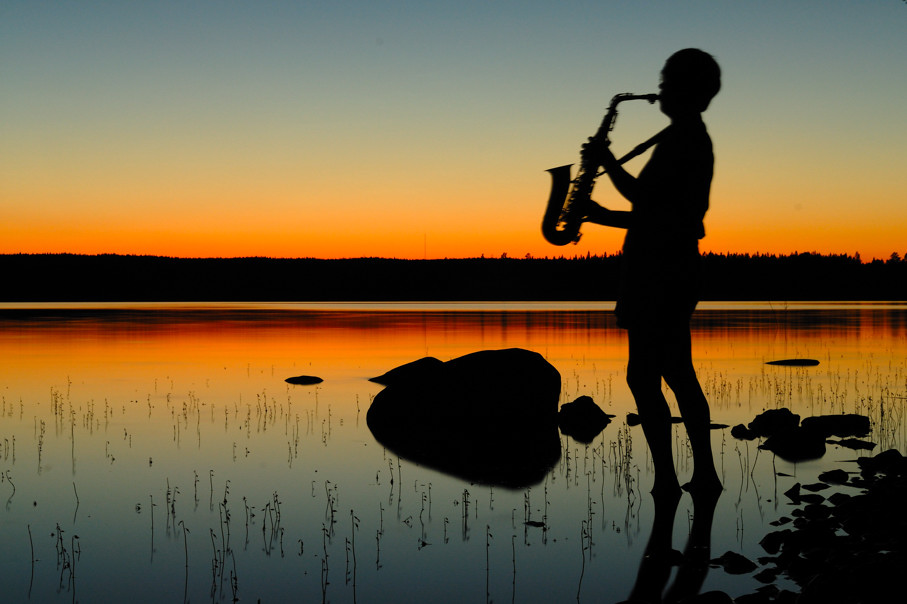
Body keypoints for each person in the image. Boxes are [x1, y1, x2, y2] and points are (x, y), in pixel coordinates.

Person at [582, 48, 722, 498]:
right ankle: (698, 476)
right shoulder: (683, 136)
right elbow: (660, 213)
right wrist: (601, 214)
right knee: (675, 371)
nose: (659, 88)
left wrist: (604, 163)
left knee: (649, 375)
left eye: (667, 80)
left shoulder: (686, 140)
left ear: (688, 90)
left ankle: (671, 480)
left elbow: (648, 203)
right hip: (664, 268)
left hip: (661, 273)